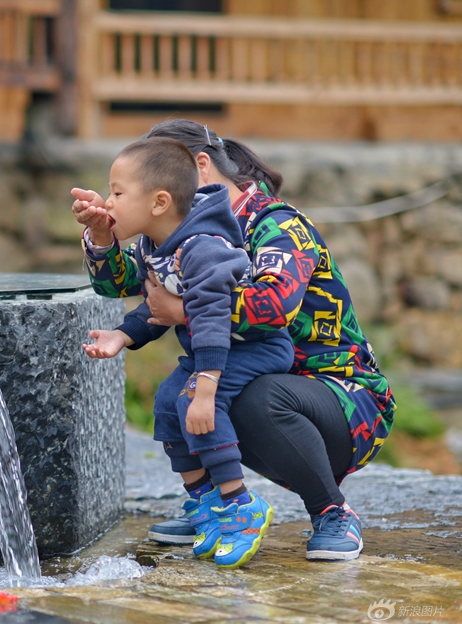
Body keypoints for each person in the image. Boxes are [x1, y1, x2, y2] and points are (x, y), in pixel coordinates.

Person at [74, 119, 395, 562]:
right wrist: (102, 234)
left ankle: (332, 512)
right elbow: (123, 282)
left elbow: (274, 304)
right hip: (254, 371)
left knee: (243, 393)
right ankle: (219, 506)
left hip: (341, 397)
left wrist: (180, 310)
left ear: (198, 167)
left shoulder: (277, 224)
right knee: (180, 396)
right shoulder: (174, 233)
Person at [82, 137, 293, 569]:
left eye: (118, 193)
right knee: (166, 404)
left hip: (253, 348)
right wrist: (123, 335)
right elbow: (157, 305)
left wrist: (206, 388)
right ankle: (206, 504)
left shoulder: (203, 247)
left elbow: (212, 316)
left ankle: (241, 507)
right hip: (212, 350)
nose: (109, 201)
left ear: (159, 202)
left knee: (193, 404)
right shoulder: (154, 246)